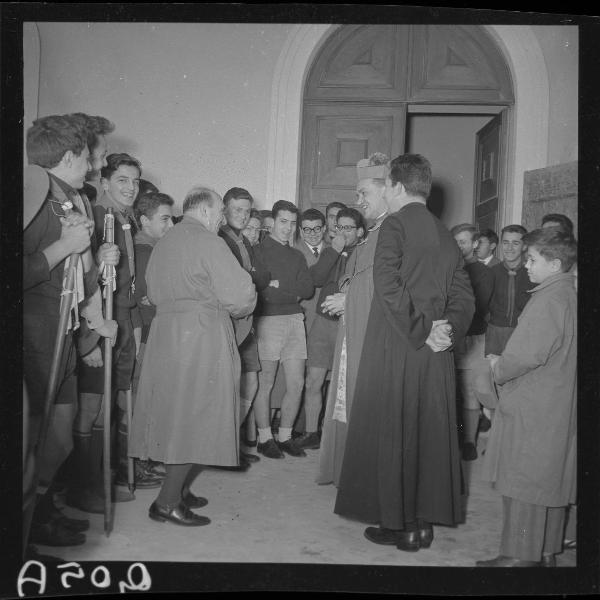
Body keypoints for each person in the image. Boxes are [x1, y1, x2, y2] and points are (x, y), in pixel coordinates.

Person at [334, 153, 475, 553]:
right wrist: (447, 329)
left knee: (394, 432)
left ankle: (399, 525)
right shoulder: (444, 231)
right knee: (427, 435)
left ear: (395, 186)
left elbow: (387, 286)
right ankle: (421, 525)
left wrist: (422, 330)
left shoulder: (393, 225)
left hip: (399, 344)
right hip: (436, 352)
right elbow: (464, 294)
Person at [129, 186, 256, 526]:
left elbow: (153, 292)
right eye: (218, 213)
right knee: (196, 416)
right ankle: (167, 502)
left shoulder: (164, 241)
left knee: (175, 414)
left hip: (166, 335)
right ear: (203, 211)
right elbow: (241, 295)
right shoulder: (209, 241)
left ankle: (179, 489)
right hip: (201, 335)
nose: (220, 220)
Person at [24, 115, 117, 547]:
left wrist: (96, 257)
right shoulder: (31, 197)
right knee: (33, 440)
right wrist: (64, 246)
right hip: (35, 334)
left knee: (58, 437)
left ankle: (40, 515)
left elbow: (77, 274)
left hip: (62, 332)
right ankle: (25, 533)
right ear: (66, 157)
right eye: (86, 157)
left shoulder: (67, 198)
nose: (93, 166)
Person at [476, 229, 577, 567]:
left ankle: (520, 555)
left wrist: (497, 366)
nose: (526, 266)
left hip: (534, 401)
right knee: (547, 481)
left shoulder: (546, 299)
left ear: (556, 263)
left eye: (533, 260)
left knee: (523, 480)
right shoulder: (567, 294)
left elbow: (523, 356)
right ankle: (545, 550)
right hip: (554, 400)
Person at [70, 152, 161, 516]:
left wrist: (132, 327)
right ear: (104, 182)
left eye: (135, 181)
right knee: (91, 406)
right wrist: (88, 340)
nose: (130, 188)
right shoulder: (94, 217)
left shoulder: (122, 218)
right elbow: (80, 282)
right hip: (98, 323)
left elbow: (127, 284)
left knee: (112, 403)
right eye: (122, 180)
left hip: (122, 319)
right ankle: (82, 487)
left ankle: (105, 476)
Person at [316, 152, 391, 486]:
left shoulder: (392, 232)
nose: (357, 200)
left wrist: (350, 298)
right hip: (353, 327)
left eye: (364, 194)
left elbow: (386, 285)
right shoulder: (374, 233)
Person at [297, 207, 367, 450]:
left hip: (349, 325)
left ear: (359, 231)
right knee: (313, 380)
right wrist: (335, 249)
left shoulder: (365, 253)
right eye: (339, 227)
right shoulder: (331, 251)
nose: (343, 232)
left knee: (346, 384)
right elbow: (315, 278)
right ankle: (311, 432)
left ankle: (344, 436)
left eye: (348, 228)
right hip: (323, 323)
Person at [252, 200, 314, 458]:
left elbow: (307, 290)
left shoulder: (297, 255)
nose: (288, 228)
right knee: (265, 382)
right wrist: (281, 291)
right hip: (268, 321)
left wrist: (278, 288)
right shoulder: (259, 251)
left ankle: (285, 436)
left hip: (294, 322)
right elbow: (265, 294)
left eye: (292, 223)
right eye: (283, 222)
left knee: (297, 382)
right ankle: (265, 438)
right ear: (273, 223)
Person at [218, 187, 270, 467]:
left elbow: (262, 275)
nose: (242, 215)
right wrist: (250, 277)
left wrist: (250, 276)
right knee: (227, 386)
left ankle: (232, 446)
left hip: (246, 322)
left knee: (249, 380)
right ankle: (222, 450)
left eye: (247, 210)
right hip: (229, 322)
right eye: (236, 209)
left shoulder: (244, 240)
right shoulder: (219, 239)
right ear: (224, 210)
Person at [450, 224, 494, 461]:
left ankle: (468, 441)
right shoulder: (448, 267)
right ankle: (452, 439)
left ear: (475, 244)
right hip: (450, 336)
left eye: (463, 241)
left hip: (472, 339)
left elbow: (478, 308)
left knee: (469, 392)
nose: (458, 246)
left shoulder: (483, 272)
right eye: (455, 241)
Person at [485, 225, 534, 356]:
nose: (509, 248)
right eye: (505, 243)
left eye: (515, 243)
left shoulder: (532, 274)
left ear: (524, 246)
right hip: (495, 333)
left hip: (523, 332)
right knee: (493, 373)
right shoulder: (490, 273)